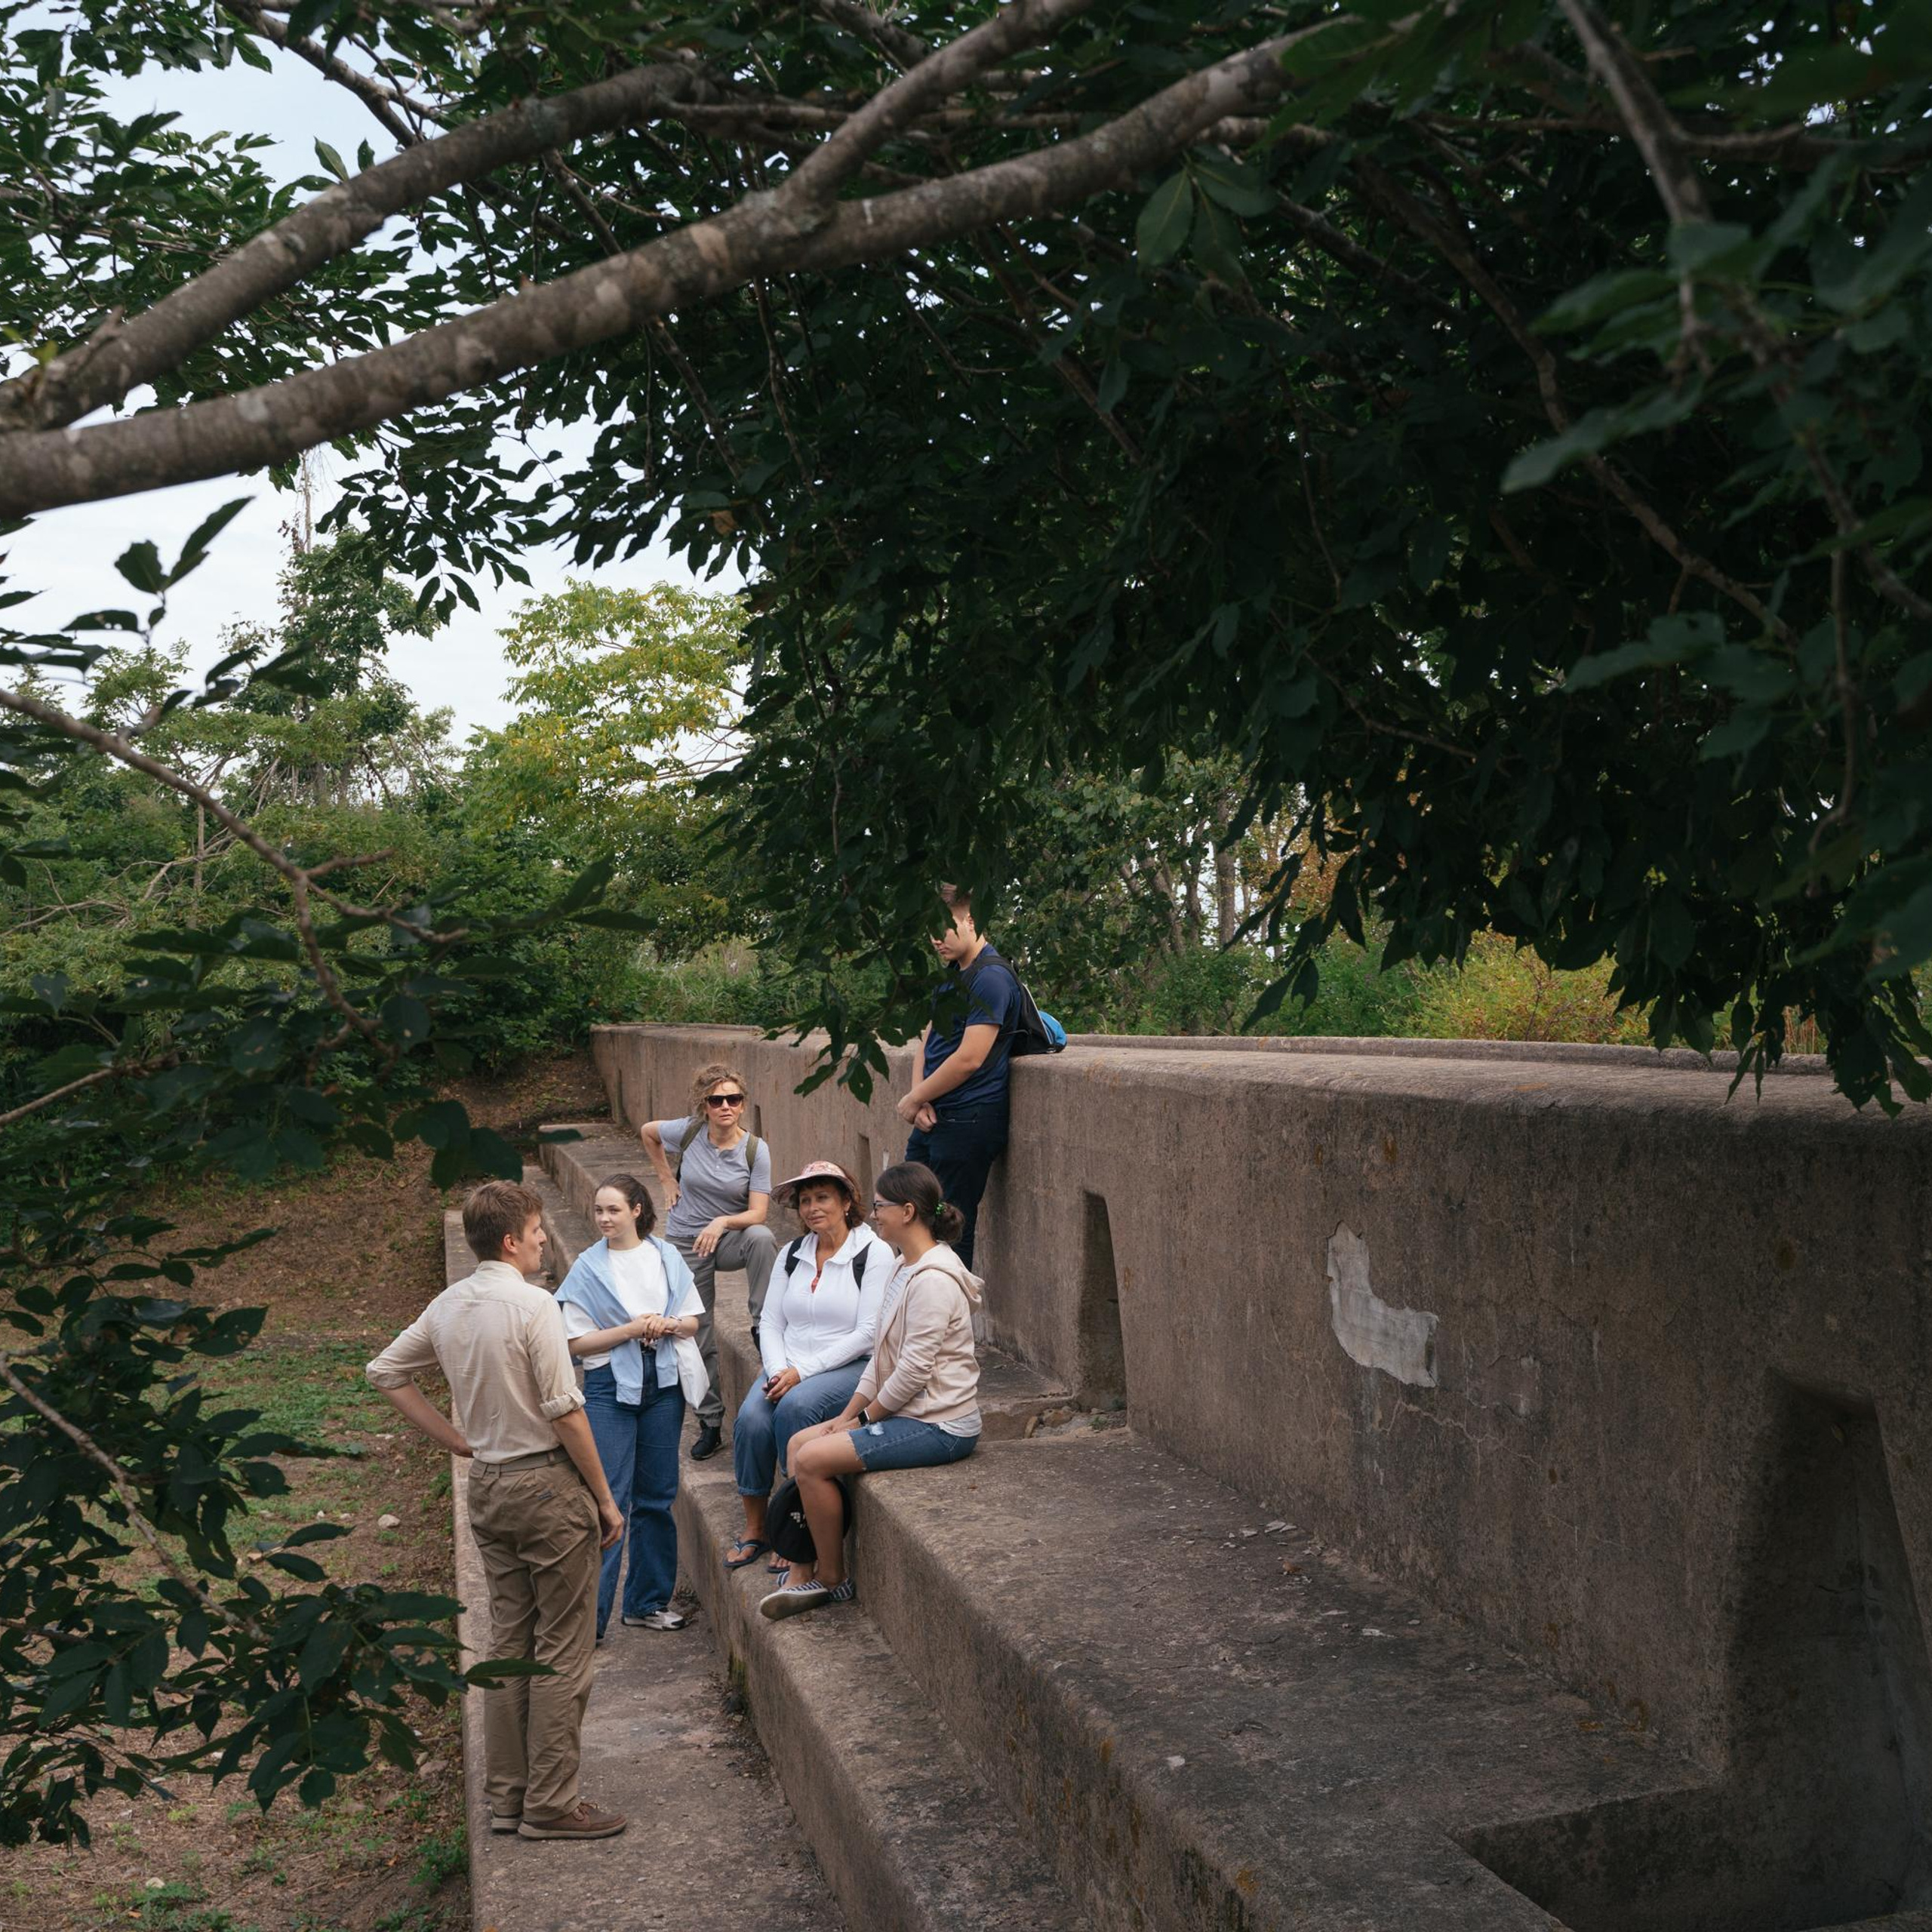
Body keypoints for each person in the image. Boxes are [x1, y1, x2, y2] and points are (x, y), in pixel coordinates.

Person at [366, 1180, 627, 1842]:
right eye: (537, 1232)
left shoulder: (449, 1306)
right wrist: (603, 1498)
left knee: (511, 1641)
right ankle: (551, 1802)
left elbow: (386, 1372)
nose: (544, 1241)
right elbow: (565, 1410)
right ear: (512, 1240)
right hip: (545, 1486)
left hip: (487, 1485)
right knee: (563, 1648)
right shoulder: (533, 1305)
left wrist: (456, 1439)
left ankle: (508, 1799)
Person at [761, 1161, 982, 1621]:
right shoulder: (904, 1267)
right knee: (803, 1441)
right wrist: (848, 1415)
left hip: (940, 1424)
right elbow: (881, 1361)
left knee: (813, 1458)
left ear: (907, 1211)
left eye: (880, 1206)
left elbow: (913, 1372)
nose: (874, 1214)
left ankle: (833, 1579)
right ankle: (806, 1564)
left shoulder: (935, 1280)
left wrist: (861, 1421)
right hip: (909, 1413)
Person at [723, 1160, 891, 1581]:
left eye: (823, 1198)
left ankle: (793, 1528)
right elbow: (771, 1322)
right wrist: (779, 1370)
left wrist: (802, 1372)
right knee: (751, 1420)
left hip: (850, 1367)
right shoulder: (791, 1253)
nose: (813, 1208)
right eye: (805, 1201)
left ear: (847, 1201)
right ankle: (756, 1526)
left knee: (796, 1409)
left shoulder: (873, 1252)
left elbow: (869, 1333)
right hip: (788, 1366)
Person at [554, 1174, 706, 1639]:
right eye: (599, 1210)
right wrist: (632, 1329)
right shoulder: (586, 1268)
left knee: (657, 1497)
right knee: (608, 1500)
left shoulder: (665, 1256)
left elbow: (694, 1321)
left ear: (637, 1210)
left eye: (613, 1210)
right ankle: (590, 1625)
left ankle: (646, 1603)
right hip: (607, 1387)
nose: (603, 1218)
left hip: (662, 1383)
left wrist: (668, 1324)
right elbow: (576, 1343)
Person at [640, 1062, 776, 1461]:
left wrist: (721, 1222)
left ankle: (762, 1323)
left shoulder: (755, 1149)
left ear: (743, 1103)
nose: (725, 1107)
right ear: (705, 1106)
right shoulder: (688, 1132)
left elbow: (758, 1214)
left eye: (733, 1099)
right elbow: (649, 1132)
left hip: (730, 1237)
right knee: (697, 1330)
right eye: (717, 1100)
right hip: (686, 1241)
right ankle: (711, 1421)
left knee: (762, 1238)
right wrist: (666, 1179)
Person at [894, 883, 1019, 1270]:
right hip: (934, 1117)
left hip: (969, 1121)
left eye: (943, 928)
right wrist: (920, 1096)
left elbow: (970, 1058)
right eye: (929, 929)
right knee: (906, 1217)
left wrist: (915, 1100)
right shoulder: (952, 975)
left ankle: (951, 1328)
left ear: (971, 919)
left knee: (948, 1229)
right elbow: (929, 1038)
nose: (935, 939)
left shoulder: (992, 978)